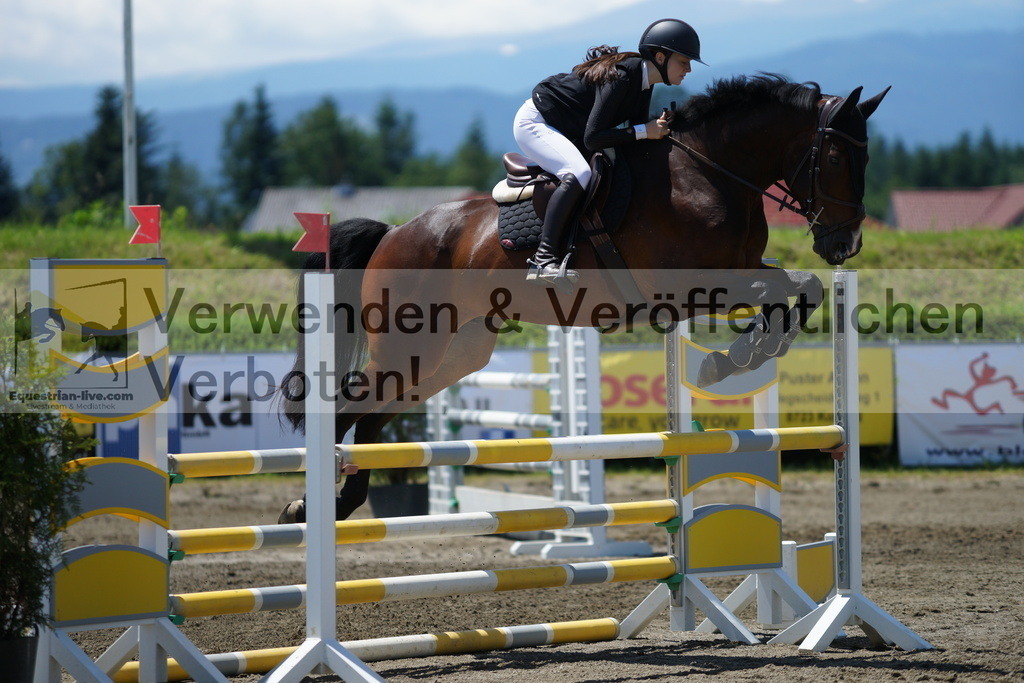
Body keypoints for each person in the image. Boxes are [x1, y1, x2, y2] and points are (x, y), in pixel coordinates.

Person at [513, 18, 706, 288]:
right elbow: (594, 138)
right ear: (661, 57)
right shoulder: (622, 77)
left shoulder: (644, 82)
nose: (688, 69)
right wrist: (645, 131)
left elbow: (637, 133)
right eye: (683, 62)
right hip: (536, 122)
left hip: (566, 127)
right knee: (578, 173)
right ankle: (543, 258)